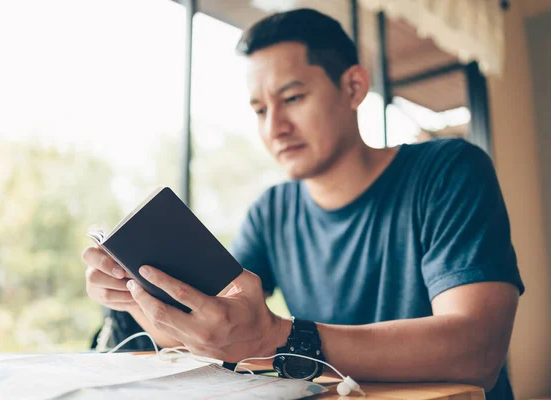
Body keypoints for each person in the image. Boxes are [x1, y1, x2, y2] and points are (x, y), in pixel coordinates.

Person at [82, 8, 524, 399]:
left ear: (353, 87)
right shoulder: (272, 211)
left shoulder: (448, 170)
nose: (275, 127)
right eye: (259, 110)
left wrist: (279, 336)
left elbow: (478, 350)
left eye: (292, 98)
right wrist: (137, 299)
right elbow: (220, 330)